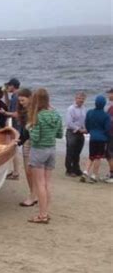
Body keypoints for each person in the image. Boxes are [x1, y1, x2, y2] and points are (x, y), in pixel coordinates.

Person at [26, 88, 63, 223]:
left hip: (39, 150)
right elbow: (59, 134)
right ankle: (45, 211)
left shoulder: (38, 116)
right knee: (47, 183)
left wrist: (29, 128)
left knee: (40, 184)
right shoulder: (56, 115)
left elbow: (35, 138)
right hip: (52, 149)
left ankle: (42, 215)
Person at [80, 95, 111, 184]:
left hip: (93, 137)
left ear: (95, 103)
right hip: (102, 138)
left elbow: (87, 123)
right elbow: (107, 128)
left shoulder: (90, 112)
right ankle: (94, 175)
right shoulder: (106, 115)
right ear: (104, 104)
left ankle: (85, 172)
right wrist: (107, 137)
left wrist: (90, 131)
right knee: (98, 157)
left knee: (91, 156)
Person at [17, 88, 37, 207]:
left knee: (30, 170)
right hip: (26, 141)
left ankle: (33, 196)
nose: (21, 103)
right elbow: (24, 130)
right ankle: (33, 194)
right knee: (28, 171)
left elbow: (28, 131)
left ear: (30, 98)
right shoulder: (25, 111)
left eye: (23, 100)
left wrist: (19, 140)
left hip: (32, 142)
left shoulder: (34, 111)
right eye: (19, 101)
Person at [1, 78, 21, 179]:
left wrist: (5, 113)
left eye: (9, 86)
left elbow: (16, 113)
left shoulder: (16, 97)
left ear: (13, 86)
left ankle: (16, 172)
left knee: (14, 149)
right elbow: (9, 105)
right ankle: (15, 171)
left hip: (17, 126)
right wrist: (5, 93)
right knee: (14, 149)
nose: (8, 87)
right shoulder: (14, 96)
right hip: (16, 125)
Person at [64, 91, 87, 177]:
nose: (81, 100)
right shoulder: (71, 109)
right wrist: (78, 129)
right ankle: (69, 170)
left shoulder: (84, 108)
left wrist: (85, 129)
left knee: (78, 152)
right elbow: (69, 123)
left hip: (81, 132)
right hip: (72, 132)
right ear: (75, 98)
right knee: (70, 151)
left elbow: (84, 121)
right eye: (79, 98)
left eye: (82, 98)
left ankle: (76, 169)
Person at [106, 88, 113, 183]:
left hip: (111, 134)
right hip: (110, 133)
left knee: (109, 154)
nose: (108, 95)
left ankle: (112, 174)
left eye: (110, 93)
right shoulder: (110, 107)